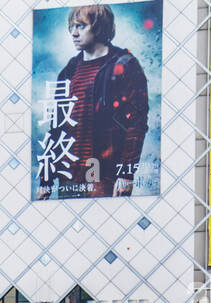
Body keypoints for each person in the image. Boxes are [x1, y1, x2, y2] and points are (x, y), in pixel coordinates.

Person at [35, 3, 151, 200]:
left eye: (80, 26)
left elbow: (136, 126)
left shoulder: (124, 65)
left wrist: (125, 175)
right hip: (69, 175)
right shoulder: (70, 70)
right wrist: (46, 178)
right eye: (71, 26)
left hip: (102, 175)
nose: (73, 33)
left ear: (99, 28)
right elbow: (57, 126)